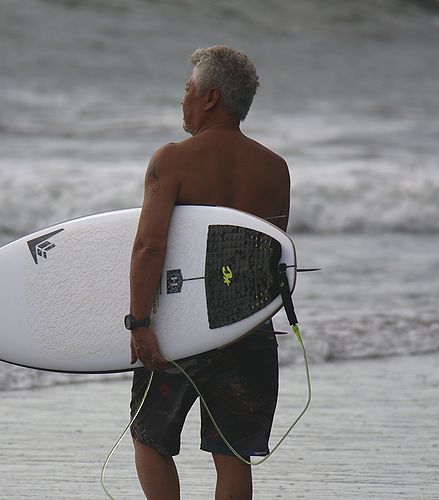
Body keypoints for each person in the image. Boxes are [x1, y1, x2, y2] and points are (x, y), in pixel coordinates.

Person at [126, 46, 290, 500]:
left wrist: (139, 322)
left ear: (210, 97)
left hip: (183, 328)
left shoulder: (172, 159)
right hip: (248, 326)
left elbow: (150, 245)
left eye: (188, 89)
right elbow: (269, 257)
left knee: (149, 438)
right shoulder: (276, 169)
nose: (183, 99)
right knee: (233, 455)